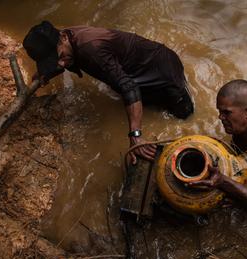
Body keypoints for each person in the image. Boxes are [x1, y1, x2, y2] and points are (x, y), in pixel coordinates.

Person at [22, 21, 194, 163]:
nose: (60, 64)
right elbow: (63, 61)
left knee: (184, 116)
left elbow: (129, 87)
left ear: (64, 37)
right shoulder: (66, 40)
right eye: (54, 60)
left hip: (162, 71)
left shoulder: (91, 49)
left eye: (59, 57)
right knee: (138, 101)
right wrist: (47, 71)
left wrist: (136, 135)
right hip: (135, 71)